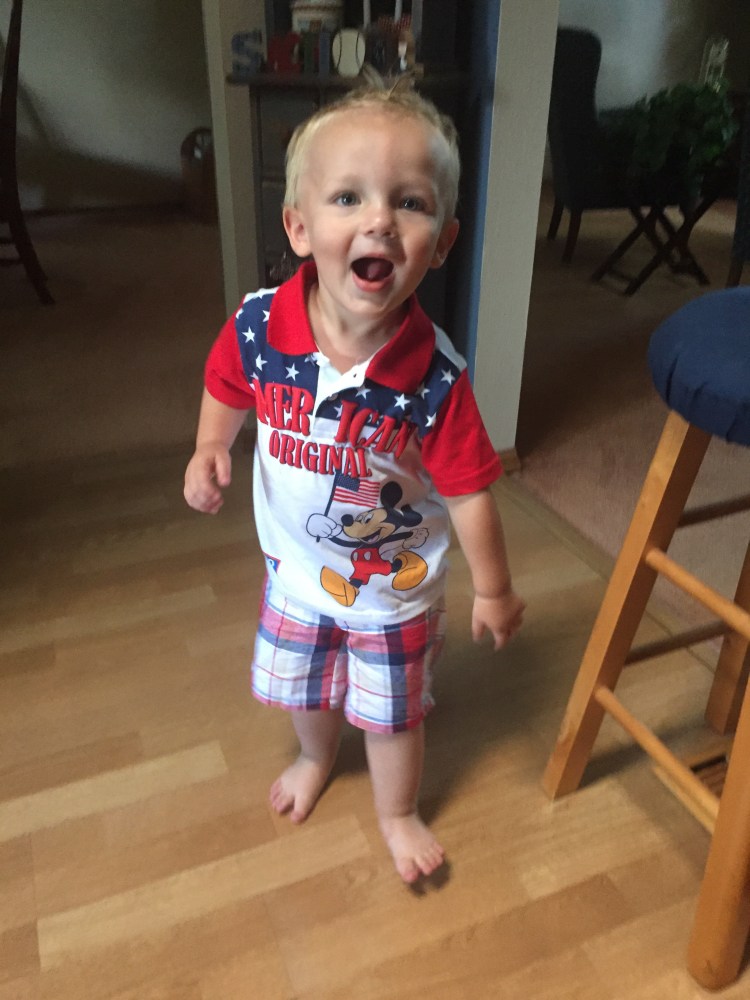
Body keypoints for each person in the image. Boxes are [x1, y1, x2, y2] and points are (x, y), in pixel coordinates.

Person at [184, 81, 525, 884]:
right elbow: (227, 381)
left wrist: (495, 588)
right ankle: (314, 757)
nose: (378, 221)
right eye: (348, 198)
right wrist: (209, 446)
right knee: (303, 691)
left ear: (442, 243)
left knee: (392, 714)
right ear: (299, 228)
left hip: (393, 591)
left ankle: (397, 811)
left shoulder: (435, 379)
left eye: (409, 202)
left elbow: (470, 489)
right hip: (296, 572)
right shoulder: (261, 327)